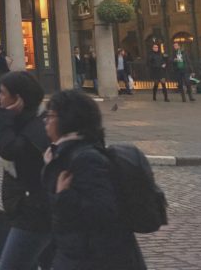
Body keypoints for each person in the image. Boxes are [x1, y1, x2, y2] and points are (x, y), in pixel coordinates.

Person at [41, 90, 146, 270]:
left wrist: (64, 197)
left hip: (95, 258)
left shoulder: (86, 158)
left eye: (50, 115)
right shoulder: (60, 154)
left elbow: (103, 211)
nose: (46, 121)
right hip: (76, 253)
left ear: (67, 119)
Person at [0, 71, 52, 270]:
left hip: (34, 214)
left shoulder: (36, 127)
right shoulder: (26, 121)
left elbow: (8, 150)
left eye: (2, 93)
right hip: (30, 210)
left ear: (18, 98)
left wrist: (4, 117)